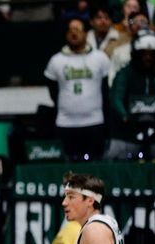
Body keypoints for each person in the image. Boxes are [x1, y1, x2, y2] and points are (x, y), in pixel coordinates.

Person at [44, 17, 111, 161]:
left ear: (86, 33)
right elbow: (52, 89)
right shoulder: (56, 60)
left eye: (78, 29)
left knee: (95, 168)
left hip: (95, 122)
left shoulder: (100, 58)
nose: (74, 33)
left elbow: (106, 90)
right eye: (70, 30)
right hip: (65, 123)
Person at [105, 30, 155, 160]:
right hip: (127, 132)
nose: (148, 58)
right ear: (136, 54)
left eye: (151, 54)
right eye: (144, 54)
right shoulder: (124, 74)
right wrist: (124, 115)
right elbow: (116, 97)